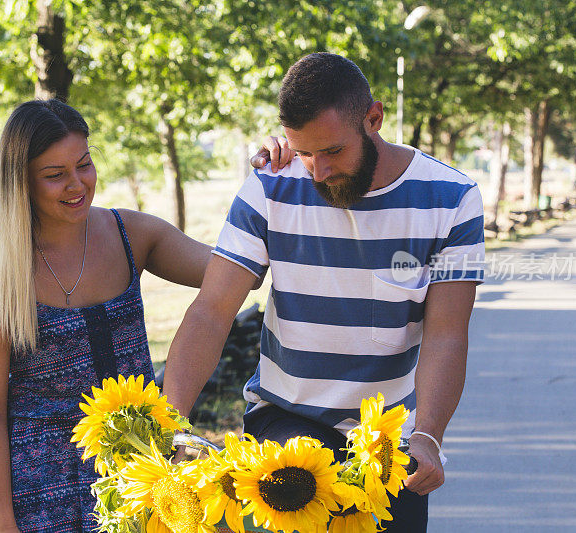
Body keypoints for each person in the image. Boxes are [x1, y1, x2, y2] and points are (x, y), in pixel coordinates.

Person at [163, 52, 485, 532]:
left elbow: (446, 335)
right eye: (304, 151)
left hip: (388, 440)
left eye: (332, 151)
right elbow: (211, 311)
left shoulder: (452, 198)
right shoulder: (271, 185)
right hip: (287, 420)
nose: (315, 171)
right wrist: (173, 427)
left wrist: (428, 437)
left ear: (374, 118)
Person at [0, 99, 215, 532]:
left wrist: (274, 180)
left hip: (140, 470)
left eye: (84, 164)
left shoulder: (130, 234)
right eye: (55, 175)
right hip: (41, 491)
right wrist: (2, 521)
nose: (77, 184)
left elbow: (236, 273)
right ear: (20, 182)